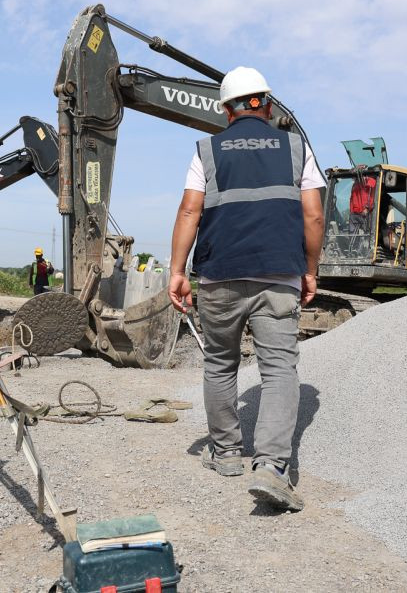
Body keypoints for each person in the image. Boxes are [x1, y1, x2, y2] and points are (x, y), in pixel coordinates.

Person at [168, 66, 324, 512]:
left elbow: (188, 212)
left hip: (219, 273)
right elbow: (313, 216)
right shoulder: (297, 148)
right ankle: (273, 467)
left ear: (225, 109)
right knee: (279, 371)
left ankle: (227, 455)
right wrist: (309, 269)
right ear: (268, 104)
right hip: (279, 275)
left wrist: (177, 270)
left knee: (220, 364)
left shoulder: (207, 150)